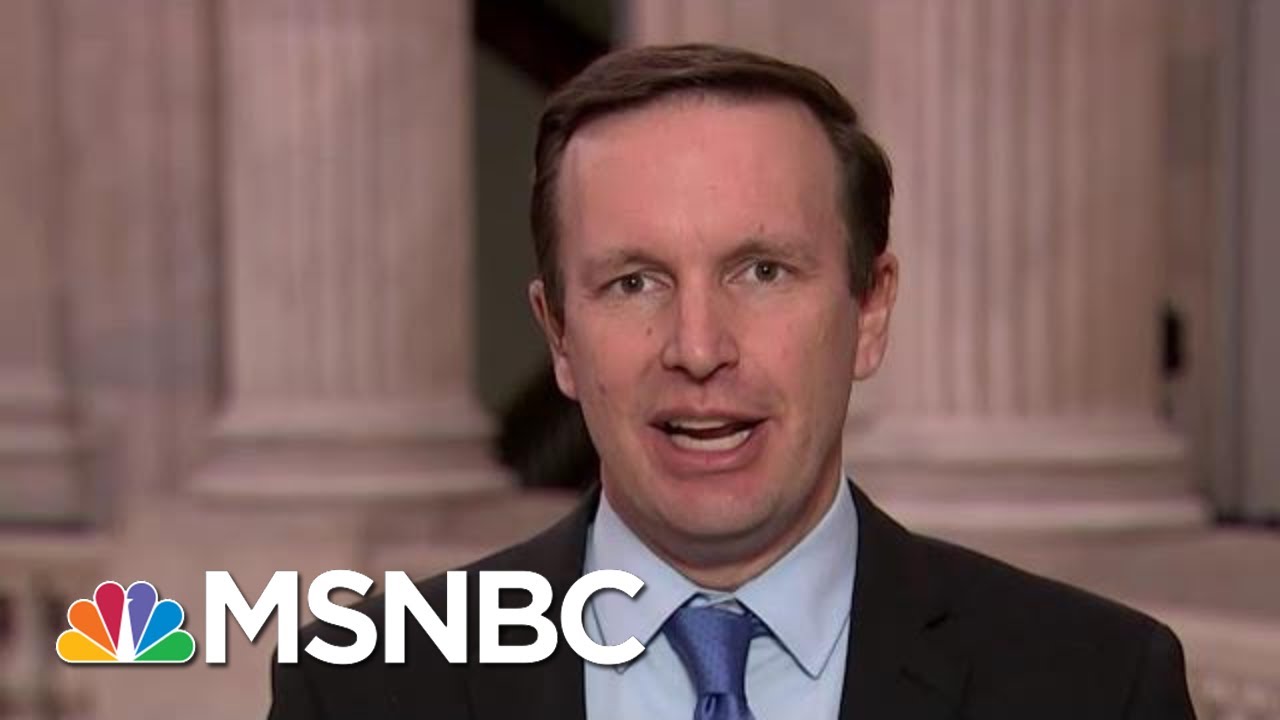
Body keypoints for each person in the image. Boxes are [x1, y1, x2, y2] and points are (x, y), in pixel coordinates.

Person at [267, 43, 1196, 720]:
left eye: (762, 272)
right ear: (559, 336)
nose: (699, 347)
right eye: (635, 283)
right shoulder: (362, 686)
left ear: (870, 310)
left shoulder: (1097, 686)